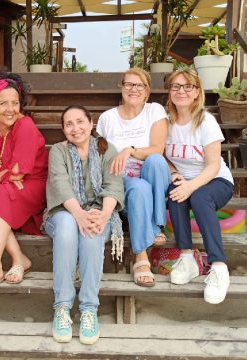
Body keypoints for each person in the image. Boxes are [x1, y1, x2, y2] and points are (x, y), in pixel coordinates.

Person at [44, 105, 124, 345]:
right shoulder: (58, 151)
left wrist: (102, 214)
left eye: (80, 122)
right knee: (68, 229)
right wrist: (79, 213)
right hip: (63, 211)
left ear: (91, 124)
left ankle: (89, 309)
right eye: (69, 124)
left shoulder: (107, 149)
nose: (75, 128)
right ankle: (62, 307)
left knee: (93, 234)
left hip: (100, 211)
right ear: (63, 129)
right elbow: (60, 183)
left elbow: (113, 185)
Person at [0, 70, 48, 298]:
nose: (11, 109)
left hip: (32, 186)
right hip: (4, 190)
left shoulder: (24, 125)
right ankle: (19, 258)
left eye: (15, 103)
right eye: (3, 103)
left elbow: (19, 172)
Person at [165, 69, 234, 304]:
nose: (181, 91)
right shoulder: (166, 122)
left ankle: (218, 267)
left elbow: (213, 165)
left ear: (196, 92)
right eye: (176, 86)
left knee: (199, 198)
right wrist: (175, 174)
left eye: (187, 87)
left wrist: (191, 186)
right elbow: (161, 153)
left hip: (216, 180)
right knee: (175, 193)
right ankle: (187, 259)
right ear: (170, 91)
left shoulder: (206, 121)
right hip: (186, 180)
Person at [97, 68, 170, 287]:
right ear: (121, 88)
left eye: (140, 85)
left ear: (147, 91)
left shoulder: (154, 111)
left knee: (156, 161)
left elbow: (157, 148)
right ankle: (141, 257)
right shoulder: (107, 118)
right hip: (122, 180)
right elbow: (100, 155)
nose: (133, 89)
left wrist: (129, 150)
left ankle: (156, 225)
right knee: (138, 188)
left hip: (150, 172)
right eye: (129, 84)